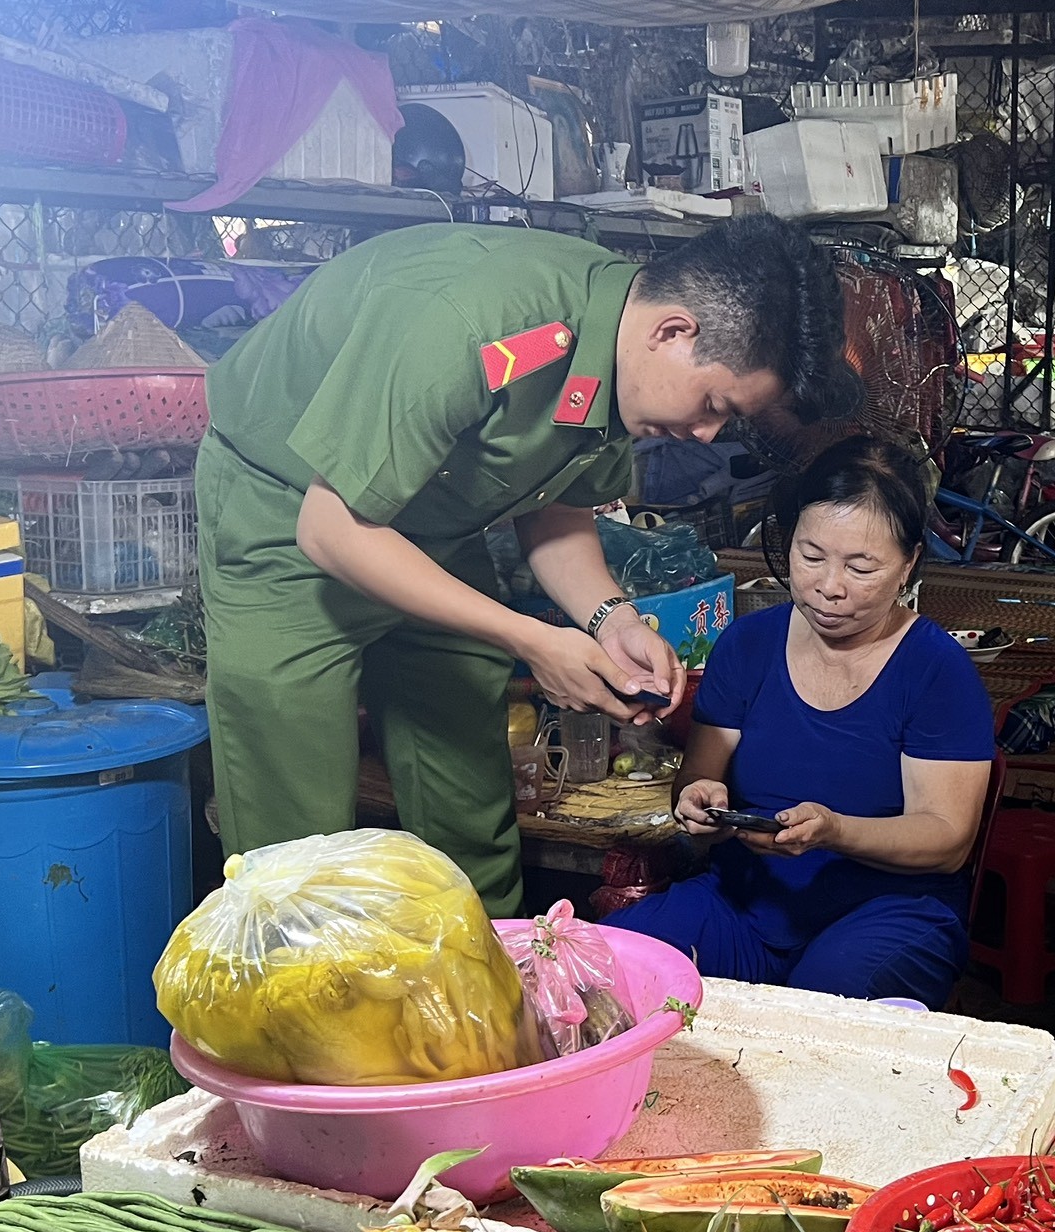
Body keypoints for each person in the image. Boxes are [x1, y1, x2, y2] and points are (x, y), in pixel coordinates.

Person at [197, 217, 858, 915]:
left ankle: (498, 981)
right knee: (295, 848)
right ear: (674, 331)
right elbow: (332, 529)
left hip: (432, 524)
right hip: (288, 513)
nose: (705, 435)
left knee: (468, 799)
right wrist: (532, 640)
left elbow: (555, 504)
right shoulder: (470, 320)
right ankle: (298, 1004)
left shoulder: (621, 340)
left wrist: (612, 620)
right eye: (713, 405)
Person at [606, 437, 995, 1004]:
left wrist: (835, 832)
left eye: (862, 567)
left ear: (909, 562)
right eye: (811, 556)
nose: (830, 586)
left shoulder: (936, 670)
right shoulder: (747, 646)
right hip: (745, 902)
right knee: (610, 963)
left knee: (828, 1006)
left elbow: (947, 840)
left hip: (889, 913)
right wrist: (698, 801)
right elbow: (696, 779)